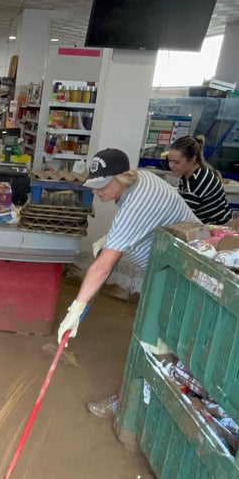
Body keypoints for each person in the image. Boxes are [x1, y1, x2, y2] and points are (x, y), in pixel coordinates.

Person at [56, 149, 198, 418]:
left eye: (103, 185)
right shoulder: (140, 179)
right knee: (160, 339)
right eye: (94, 185)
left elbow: (103, 266)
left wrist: (76, 308)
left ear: (122, 178)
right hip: (171, 270)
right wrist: (112, 239)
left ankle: (127, 407)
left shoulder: (136, 204)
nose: (97, 192)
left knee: (151, 340)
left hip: (182, 278)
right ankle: (148, 404)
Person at [166, 135, 232, 225]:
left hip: (215, 231)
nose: (171, 165)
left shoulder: (197, 182)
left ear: (193, 159)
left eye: (177, 162)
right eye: (169, 160)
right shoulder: (190, 173)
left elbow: (181, 218)